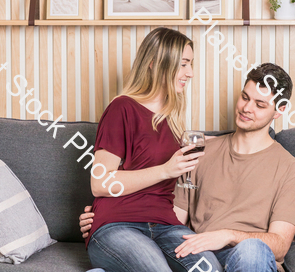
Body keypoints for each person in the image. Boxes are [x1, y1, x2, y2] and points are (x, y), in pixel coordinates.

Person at [81, 63, 295, 272]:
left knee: (252, 249)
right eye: (245, 97)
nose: (247, 108)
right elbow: (171, 220)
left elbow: (279, 245)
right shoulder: (198, 152)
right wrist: (106, 215)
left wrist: (226, 236)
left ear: (280, 110)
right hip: (198, 253)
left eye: (260, 105)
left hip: (248, 259)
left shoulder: (291, 170)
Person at [86, 27, 222, 272]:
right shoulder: (122, 108)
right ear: (155, 63)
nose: (190, 73)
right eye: (183, 64)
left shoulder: (174, 119)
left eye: (191, 64)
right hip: (118, 224)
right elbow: (99, 182)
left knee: (209, 268)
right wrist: (165, 170)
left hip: (165, 225)